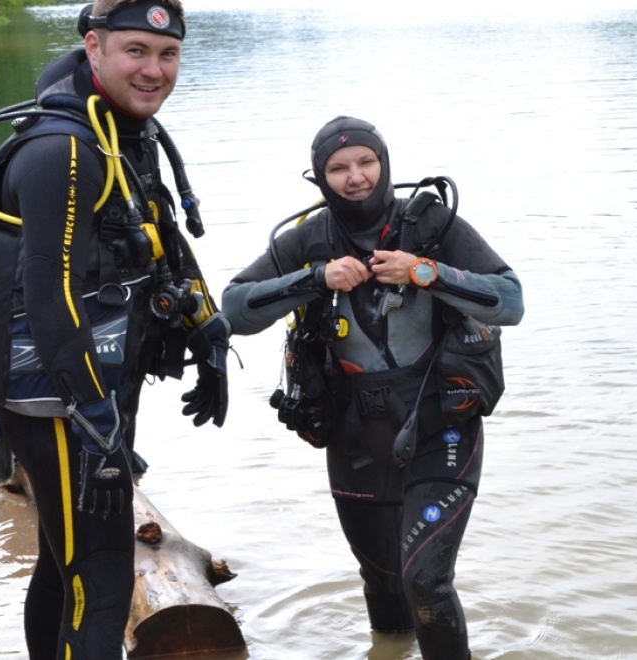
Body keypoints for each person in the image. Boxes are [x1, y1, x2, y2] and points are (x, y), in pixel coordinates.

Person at [0, 2, 229, 657]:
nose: (153, 70)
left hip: (86, 390)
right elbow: (51, 298)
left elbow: (157, 243)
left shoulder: (120, 133)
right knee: (103, 587)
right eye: (135, 51)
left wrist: (209, 332)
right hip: (62, 400)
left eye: (167, 55)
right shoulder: (66, 150)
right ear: (94, 47)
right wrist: (97, 419)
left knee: (64, 568)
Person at [222, 116, 524, 659]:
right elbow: (234, 310)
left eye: (366, 162)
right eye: (338, 168)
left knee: (427, 583)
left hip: (440, 427)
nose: (355, 177)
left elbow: (511, 300)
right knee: (382, 581)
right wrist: (316, 279)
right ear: (320, 177)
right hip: (355, 435)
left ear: (384, 165)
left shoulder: (432, 226)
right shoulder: (308, 240)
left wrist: (425, 272)